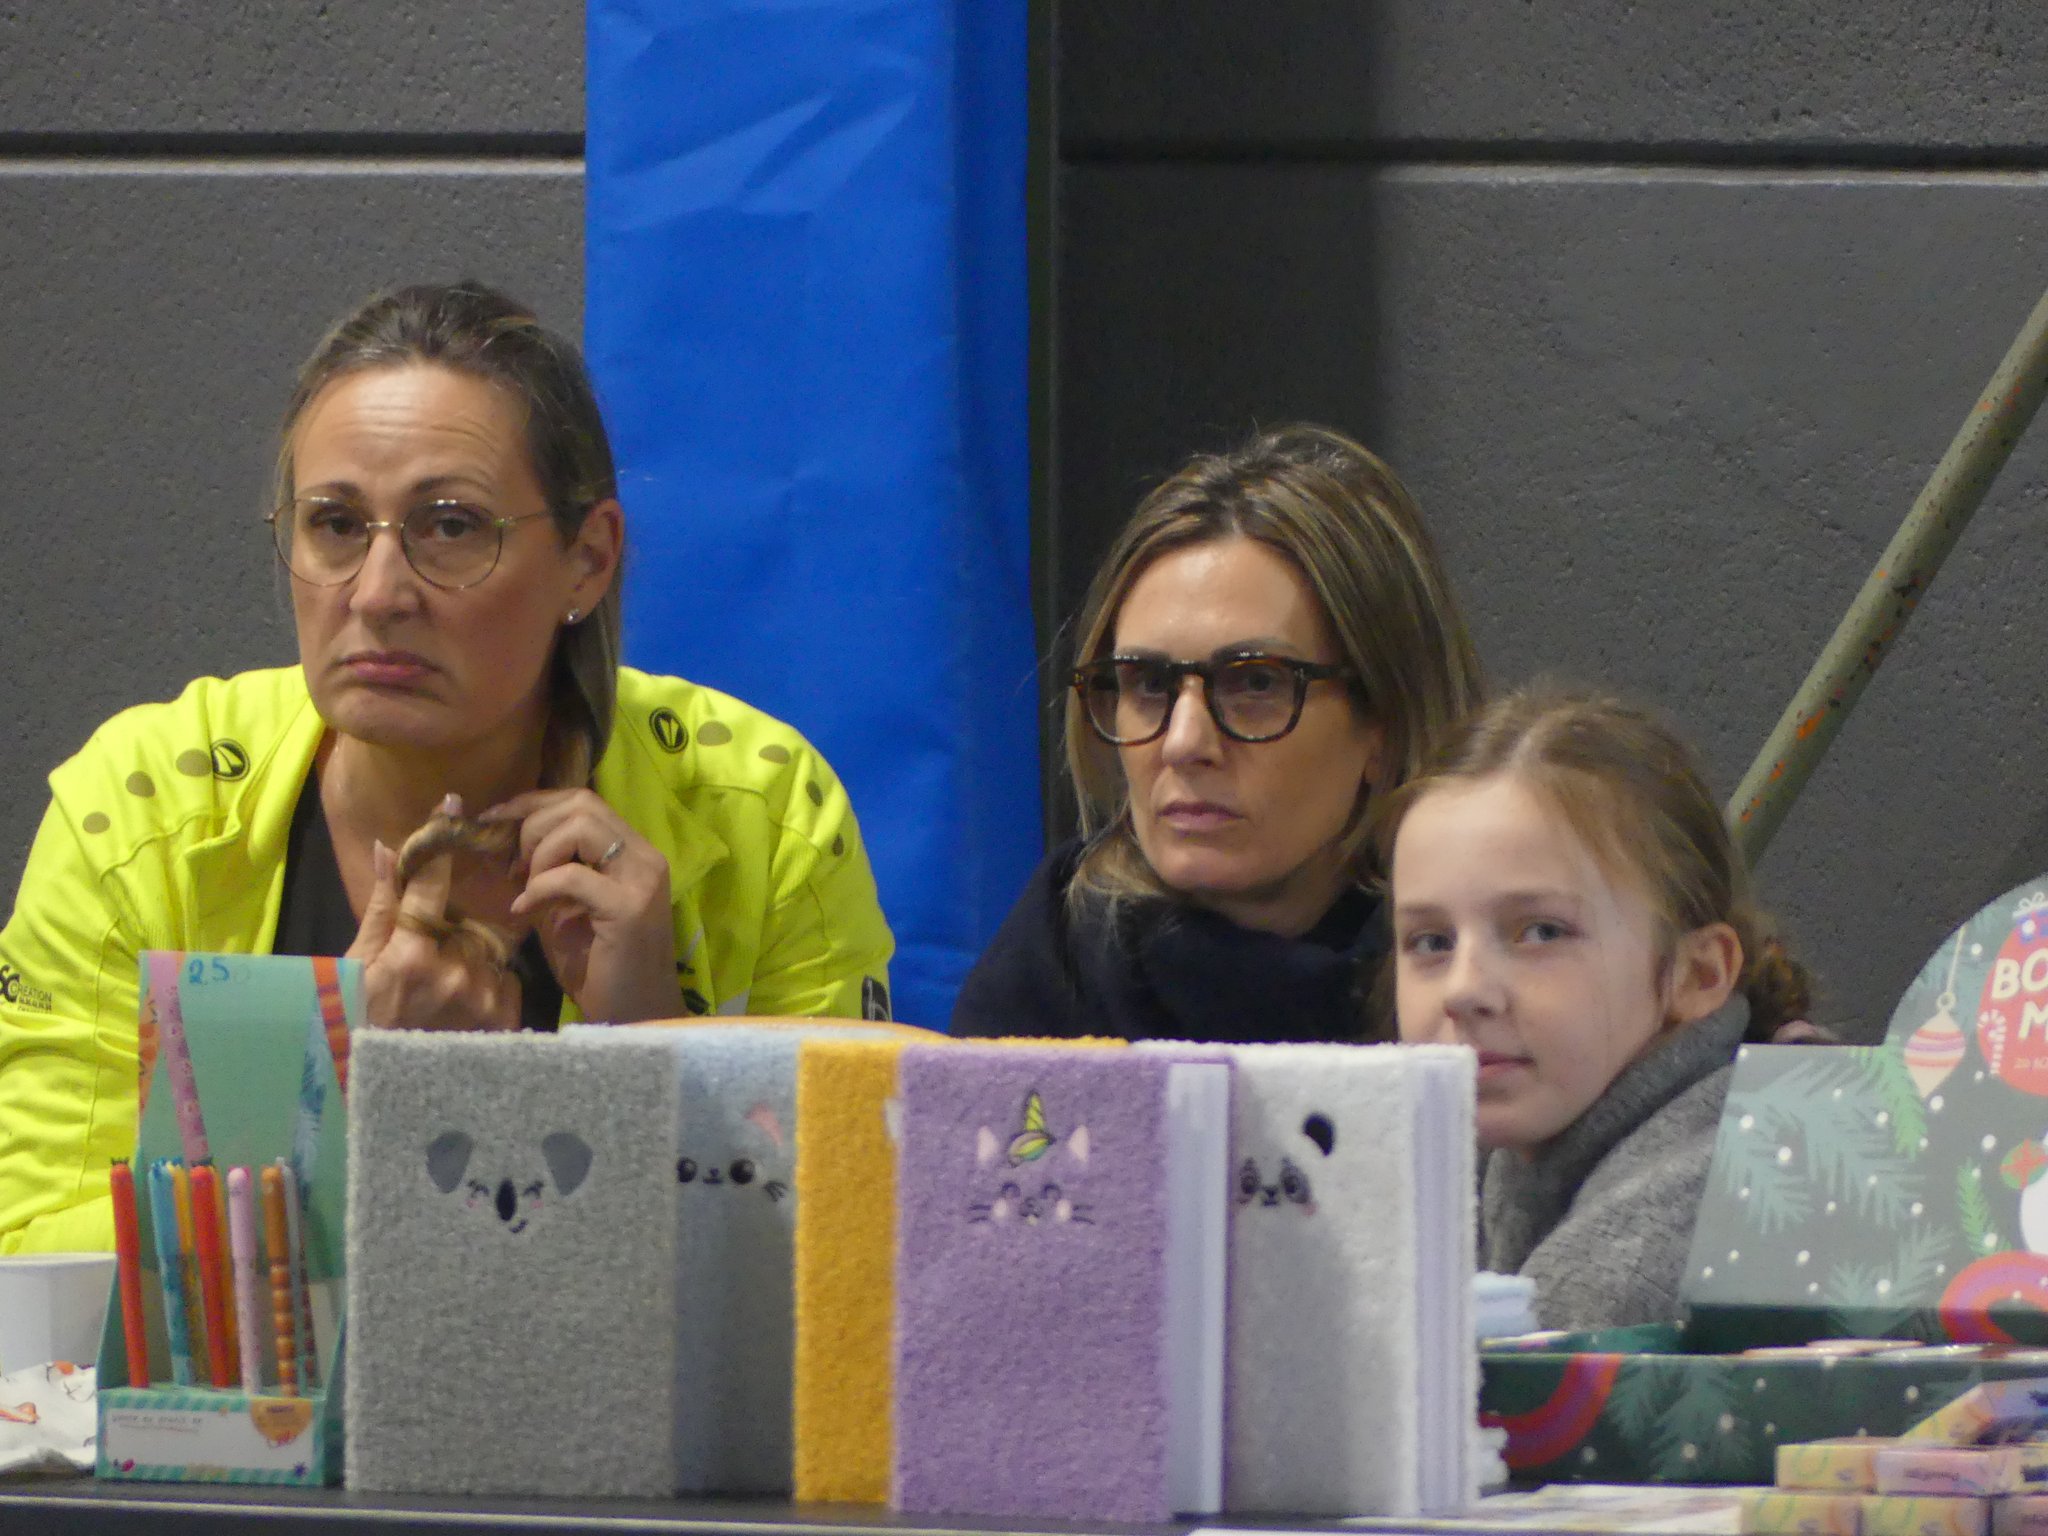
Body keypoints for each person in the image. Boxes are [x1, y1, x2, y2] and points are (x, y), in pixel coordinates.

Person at [0, 281, 893, 1253]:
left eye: (452, 526)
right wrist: (330, 1088)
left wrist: (650, 1049)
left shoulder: (764, 810)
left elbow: (858, 1259)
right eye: (335, 524)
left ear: (588, 560)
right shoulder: (143, 815)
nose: (377, 595)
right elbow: (33, 1252)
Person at [951, 424, 1483, 1042]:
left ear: (1385, 724)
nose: (1183, 743)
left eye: (1255, 683)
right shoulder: (1048, 970)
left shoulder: (1483, 981)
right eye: (1149, 684)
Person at [1383, 687, 1821, 1330]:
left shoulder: (1624, 1273)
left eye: (1540, 932)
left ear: (1697, 974)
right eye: (1431, 942)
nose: (1464, 989)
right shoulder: (1469, 1172)